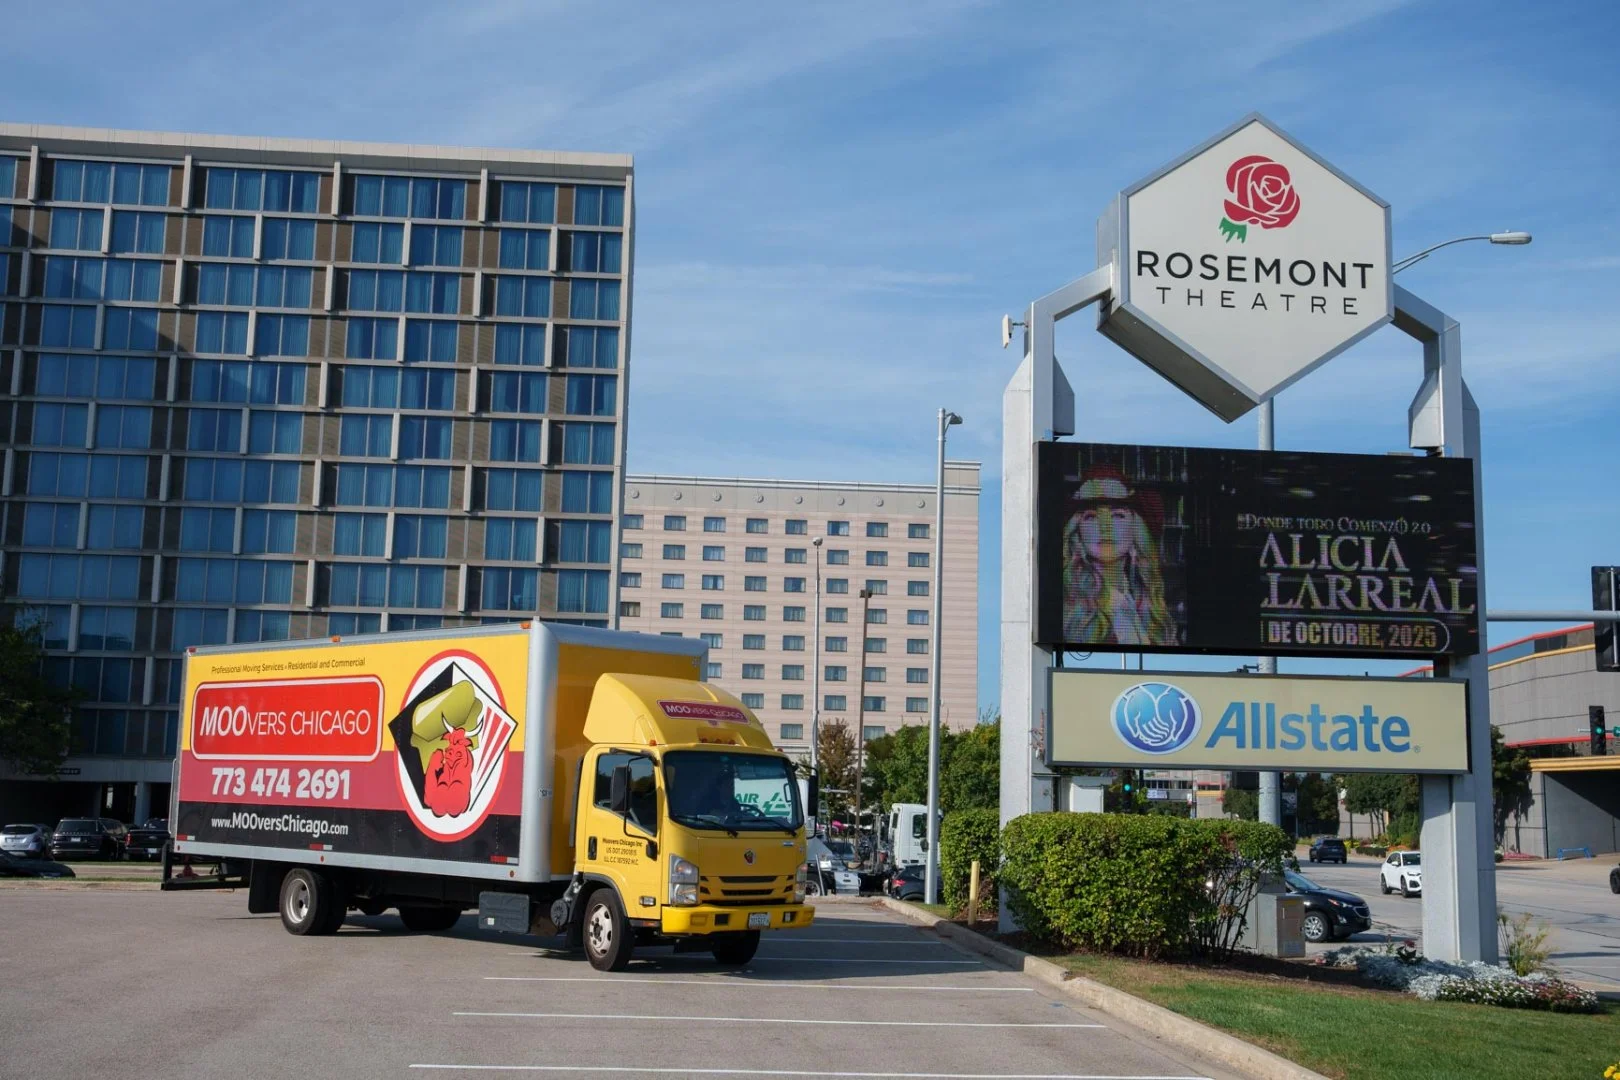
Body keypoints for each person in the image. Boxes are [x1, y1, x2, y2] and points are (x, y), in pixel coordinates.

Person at [1061, 468, 1179, 646]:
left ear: (1136, 529)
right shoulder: (1065, 602)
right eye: (1091, 516)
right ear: (1077, 531)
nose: (1105, 526)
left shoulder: (1146, 601)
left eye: (1117, 515)